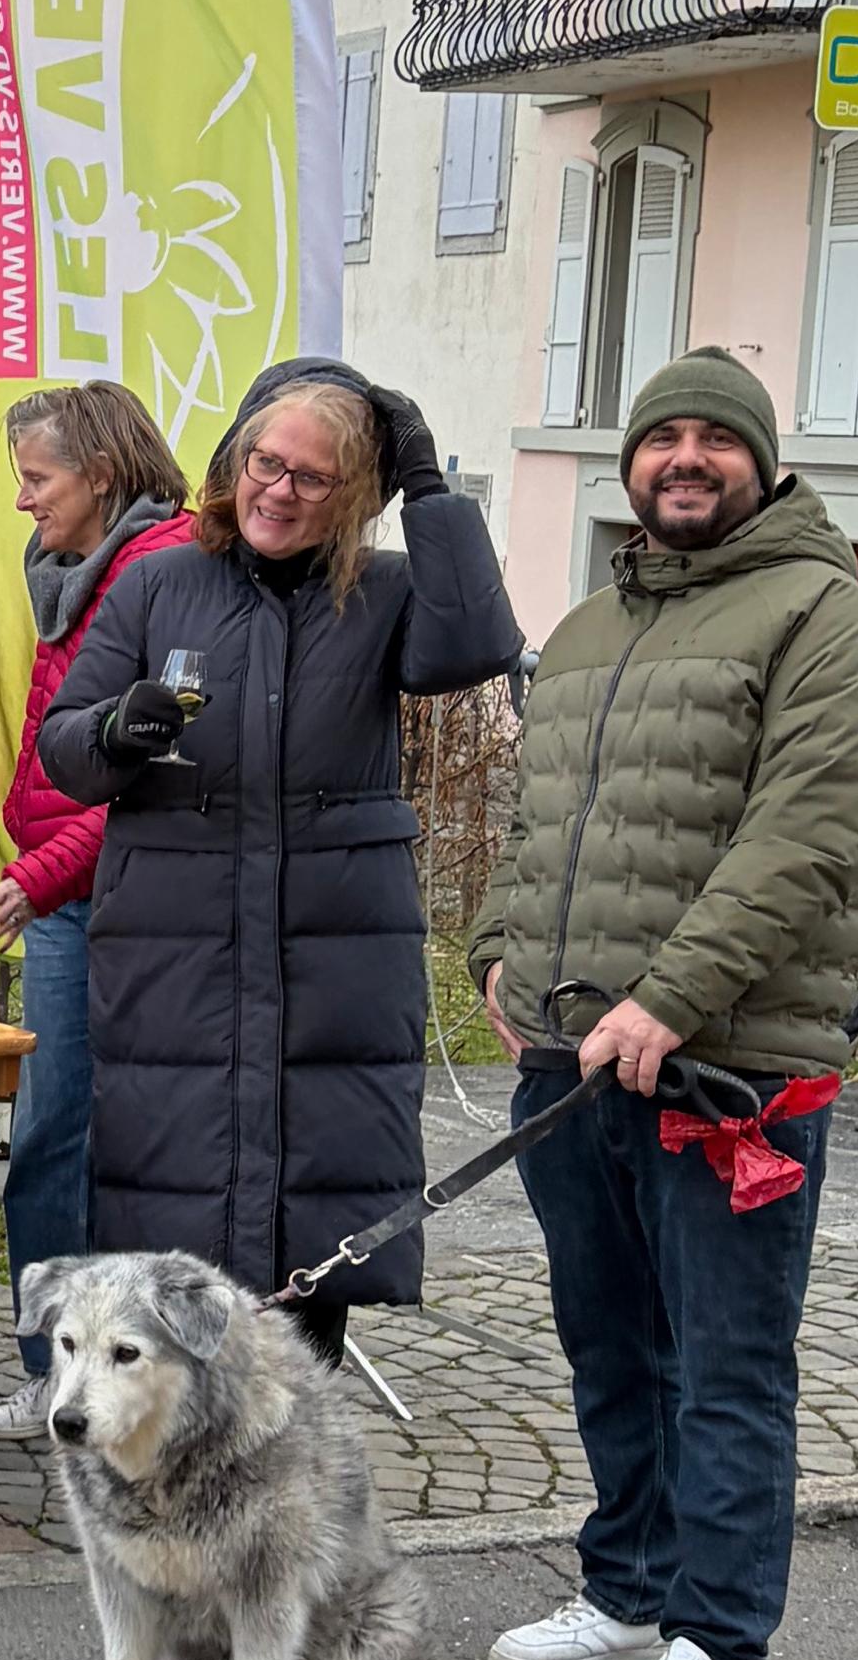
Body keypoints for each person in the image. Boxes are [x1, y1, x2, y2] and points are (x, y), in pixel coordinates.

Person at [469, 350, 858, 1660]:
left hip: (731, 1069)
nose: (685, 458)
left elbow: (806, 839)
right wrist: (494, 951)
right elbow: (539, 819)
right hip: (575, 1060)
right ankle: (630, 1589)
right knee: (611, 1343)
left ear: (763, 464)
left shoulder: (827, 619)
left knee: (726, 1368)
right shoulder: (594, 623)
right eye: (662, 435)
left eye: (716, 438)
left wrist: (669, 999)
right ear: (632, 464)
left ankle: (721, 1659)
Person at [40, 357, 517, 1366]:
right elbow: (64, 752)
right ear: (235, 458)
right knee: (164, 1293)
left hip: (329, 983)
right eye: (266, 462)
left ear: (353, 496)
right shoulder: (160, 582)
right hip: (178, 975)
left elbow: (477, 644)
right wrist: (121, 730)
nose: (280, 490)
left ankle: (287, 1464)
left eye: (312, 477)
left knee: (306, 1288)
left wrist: (428, 482)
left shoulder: (383, 593)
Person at [0, 380, 195, 1416]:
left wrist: (37, 874)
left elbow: (157, 782)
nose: (24, 500)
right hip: (66, 890)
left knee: (77, 1139)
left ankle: (96, 1381)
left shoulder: (166, 575)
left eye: (37, 478)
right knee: (55, 1136)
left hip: (120, 901)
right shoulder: (75, 568)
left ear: (100, 475)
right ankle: (61, 1375)